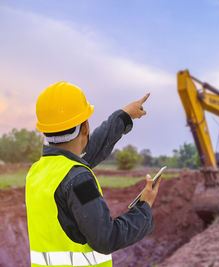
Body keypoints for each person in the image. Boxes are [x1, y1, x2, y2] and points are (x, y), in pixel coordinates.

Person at [25, 81, 161, 266]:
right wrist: (144, 207)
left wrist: (123, 116)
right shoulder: (79, 180)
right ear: (86, 127)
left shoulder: (39, 172)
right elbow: (106, 238)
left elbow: (85, 154)